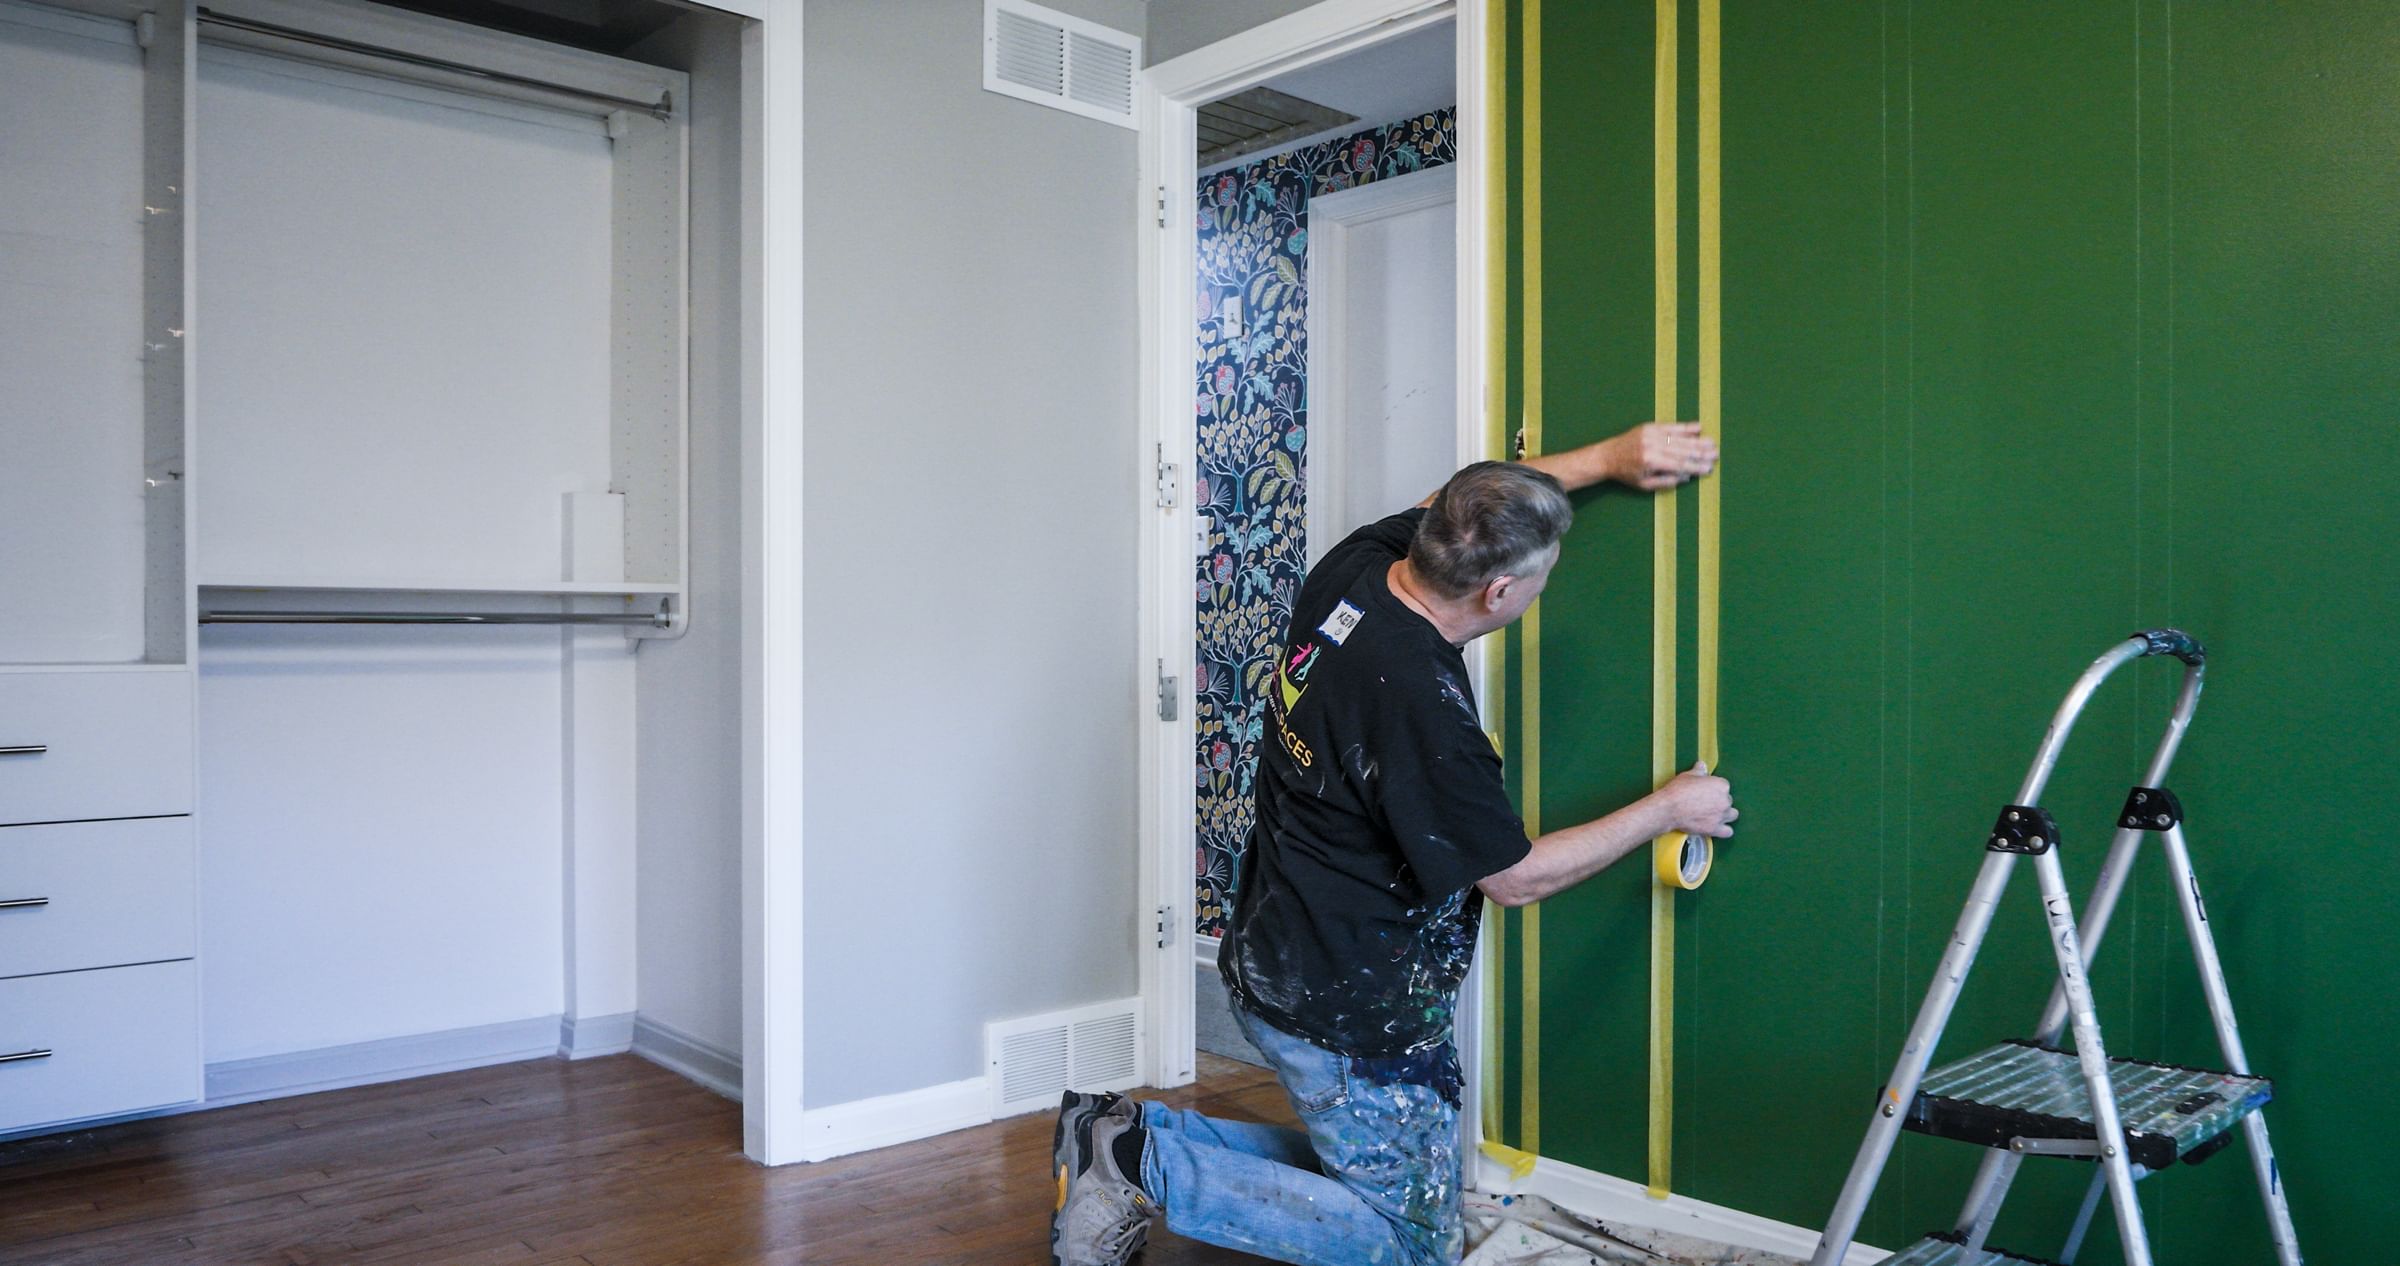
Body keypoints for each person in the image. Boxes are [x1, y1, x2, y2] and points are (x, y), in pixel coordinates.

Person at [1051, 423, 1737, 1266]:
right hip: (1345, 1005)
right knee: (1411, 1243)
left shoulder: (1359, 568)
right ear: (1497, 593)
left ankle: (1119, 1131)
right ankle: (1142, 1165)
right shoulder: (1423, 710)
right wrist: (1669, 808)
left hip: (1277, 949)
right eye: (1539, 580)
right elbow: (1514, 878)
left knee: (1403, 1191)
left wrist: (1609, 460)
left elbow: (1451, 497)